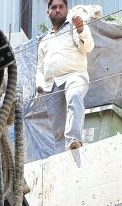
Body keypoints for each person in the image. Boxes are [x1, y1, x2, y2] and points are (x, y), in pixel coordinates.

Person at [36, 0, 94, 152]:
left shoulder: (74, 27)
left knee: (75, 95)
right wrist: (39, 84)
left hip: (74, 75)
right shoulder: (44, 41)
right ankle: (60, 157)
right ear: (48, 12)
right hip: (51, 85)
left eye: (61, 7)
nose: (58, 10)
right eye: (54, 7)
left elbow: (88, 47)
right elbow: (40, 68)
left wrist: (81, 29)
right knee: (58, 127)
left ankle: (74, 139)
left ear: (66, 10)